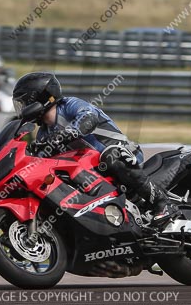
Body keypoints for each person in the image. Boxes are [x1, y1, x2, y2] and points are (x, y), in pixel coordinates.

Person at [12, 71, 176, 226]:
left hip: (122, 152)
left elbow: (89, 117)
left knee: (111, 157)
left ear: (40, 98)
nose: (22, 109)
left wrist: (65, 134)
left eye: (24, 103)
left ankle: (163, 203)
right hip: (91, 170)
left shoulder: (69, 105)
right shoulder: (42, 133)